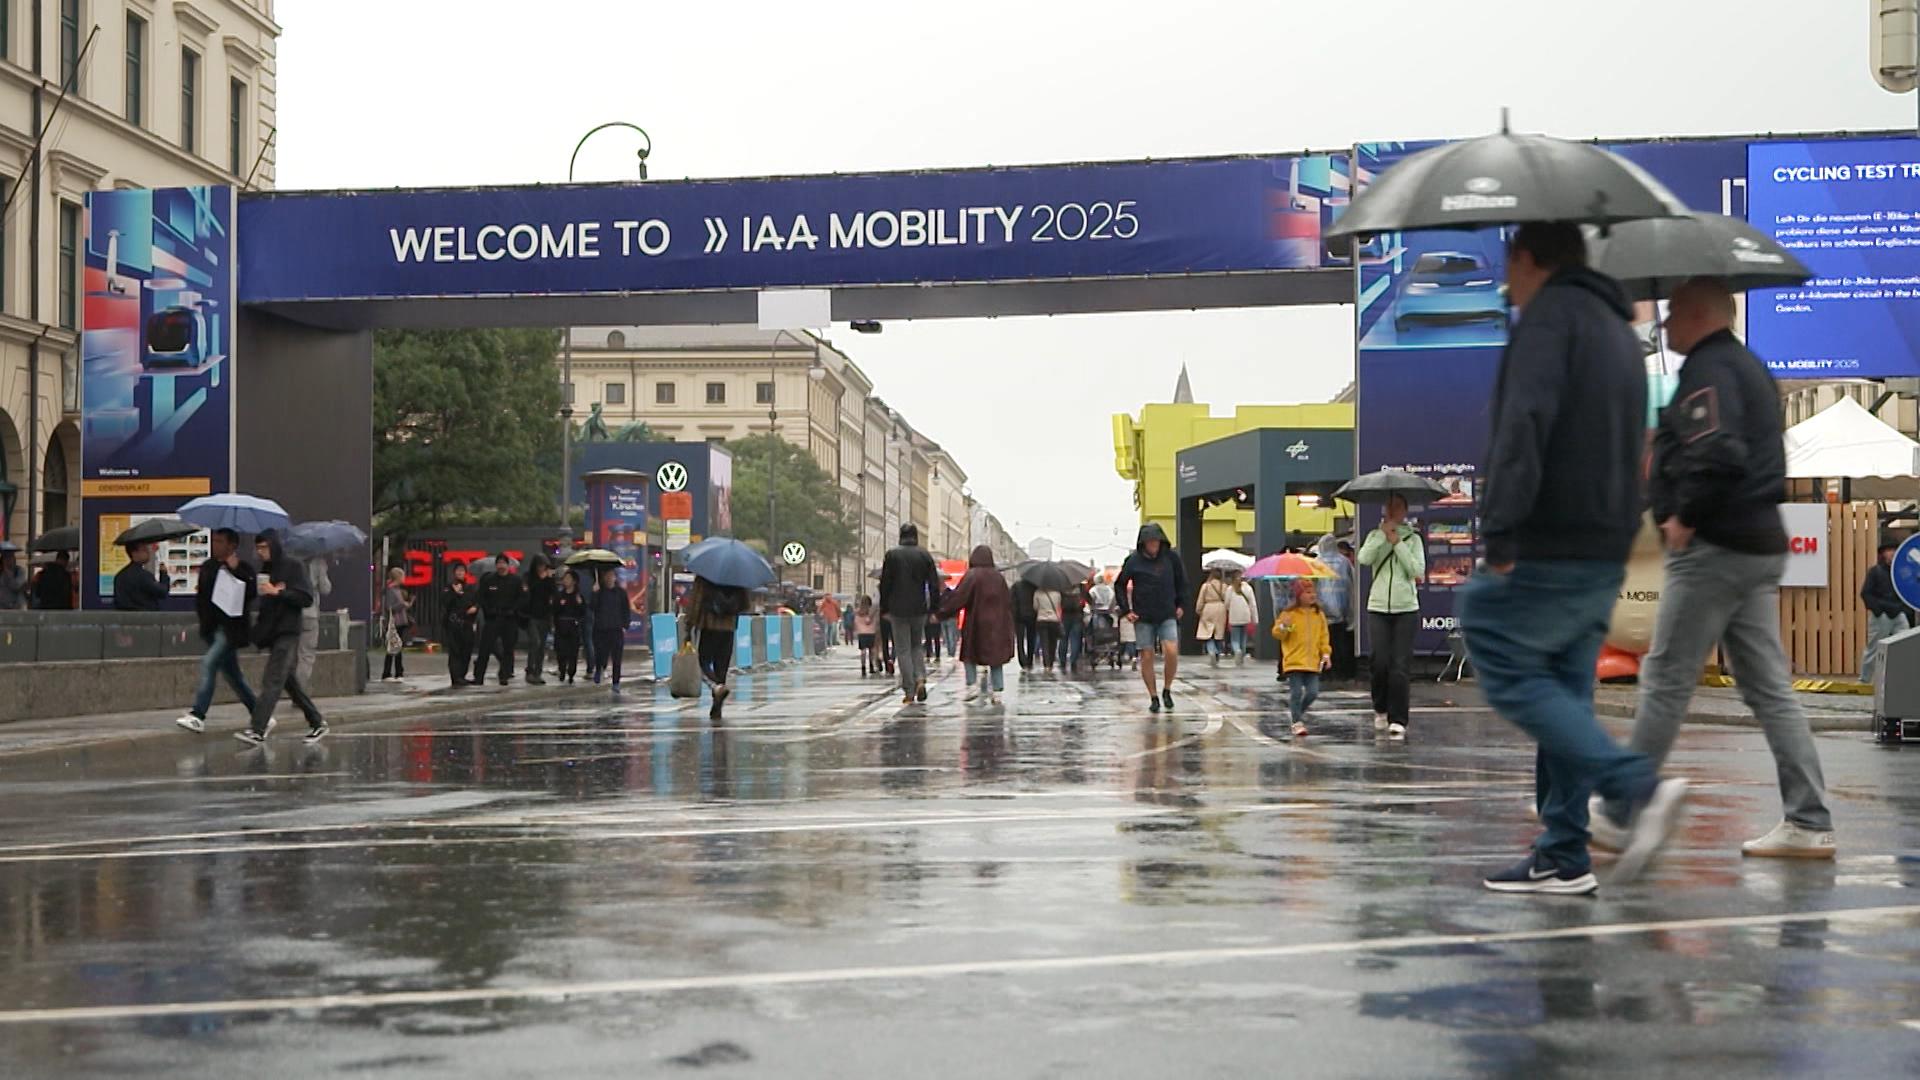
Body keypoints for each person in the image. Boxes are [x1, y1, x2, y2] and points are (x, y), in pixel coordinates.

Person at [1458, 221, 1685, 896]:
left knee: (1494, 641)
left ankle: (1632, 788)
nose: (1506, 282)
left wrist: (1499, 535)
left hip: (1549, 538)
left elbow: (1521, 426)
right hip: (1605, 541)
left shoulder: (1549, 322)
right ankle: (1565, 853)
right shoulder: (1617, 329)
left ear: (1529, 259)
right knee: (1564, 692)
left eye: (1508, 266)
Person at [1594, 277, 1835, 860]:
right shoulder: (1746, 366)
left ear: (1702, 313)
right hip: (1754, 545)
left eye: (1675, 312)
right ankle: (1809, 821)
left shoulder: (1710, 367)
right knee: (1770, 689)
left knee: (1666, 677)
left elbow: (1717, 451)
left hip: (1714, 549)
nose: (1668, 323)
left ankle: (1621, 812)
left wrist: (1683, 517)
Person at [237, 530, 326, 746]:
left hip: (288, 630)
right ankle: (316, 721)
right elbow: (265, 604)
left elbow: (305, 597)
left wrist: (279, 593)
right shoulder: (266, 570)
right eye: (258, 548)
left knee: (273, 678)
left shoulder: (293, 567)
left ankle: (258, 728)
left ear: (274, 546)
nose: (261, 552)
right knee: (287, 680)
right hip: (273, 630)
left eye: (264, 547)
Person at [175, 528, 258, 733]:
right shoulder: (209, 567)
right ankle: (260, 713)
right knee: (234, 676)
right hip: (212, 628)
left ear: (232, 545)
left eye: (220, 541)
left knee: (209, 663)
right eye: (214, 541)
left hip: (231, 631)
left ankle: (198, 714)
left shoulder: (244, 568)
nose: (216, 545)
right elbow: (202, 597)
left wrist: (236, 570)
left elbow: (251, 593)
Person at [1357, 496, 1422, 738]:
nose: (1393, 510)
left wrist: (1398, 543)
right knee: (1380, 661)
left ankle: (1399, 718)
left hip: (1406, 607)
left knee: (1400, 665)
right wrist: (1382, 537)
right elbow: (1364, 558)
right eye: (1389, 506)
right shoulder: (1375, 535)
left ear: (1405, 510)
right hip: (1378, 608)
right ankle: (1380, 707)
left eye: (1398, 507)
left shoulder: (1414, 539)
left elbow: (1417, 570)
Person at [1115, 522, 1188, 714]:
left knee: (1171, 650)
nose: (1153, 545)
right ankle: (1153, 696)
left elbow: (1182, 581)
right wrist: (1126, 610)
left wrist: (1181, 604)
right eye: (1150, 542)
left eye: (1156, 541)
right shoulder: (1133, 561)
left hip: (1167, 612)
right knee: (1146, 656)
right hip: (1143, 615)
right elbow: (1120, 585)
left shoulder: (1171, 558)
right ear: (1143, 543)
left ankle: (1167, 689)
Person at [942, 545, 1017, 705]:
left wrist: (942, 613)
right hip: (998, 623)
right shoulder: (998, 578)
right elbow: (1008, 601)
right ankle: (997, 692)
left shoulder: (972, 575)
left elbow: (959, 598)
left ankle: (972, 685)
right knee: (996, 658)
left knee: (969, 654)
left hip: (976, 623)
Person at [879, 523, 940, 706]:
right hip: (919, 608)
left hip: (898, 609)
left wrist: (885, 608)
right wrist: (933, 608)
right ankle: (921, 677)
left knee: (902, 649)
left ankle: (909, 689)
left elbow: (885, 584)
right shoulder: (924, 555)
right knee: (916, 646)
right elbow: (934, 585)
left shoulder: (892, 555)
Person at [1273, 578, 1331, 739]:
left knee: (1312, 693)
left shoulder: (1319, 615)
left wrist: (1326, 654)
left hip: (1312, 662)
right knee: (1296, 692)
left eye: (1313, 591)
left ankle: (1296, 712)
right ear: (1298, 595)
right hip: (1294, 661)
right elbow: (1278, 634)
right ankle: (1296, 721)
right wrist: (1284, 625)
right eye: (1307, 592)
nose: (1312, 595)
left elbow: (1323, 637)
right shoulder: (1289, 614)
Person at [685, 574, 747, 719]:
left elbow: (695, 602)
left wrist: (689, 626)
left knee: (703, 662)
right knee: (722, 667)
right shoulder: (737, 578)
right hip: (728, 628)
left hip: (710, 626)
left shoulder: (704, 577)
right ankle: (717, 706)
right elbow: (745, 605)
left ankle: (715, 687)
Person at [472, 554, 526, 686]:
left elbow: (522, 598)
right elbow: (481, 597)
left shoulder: (516, 581)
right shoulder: (489, 579)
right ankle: (478, 677)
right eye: (499, 563)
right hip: (492, 618)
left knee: (508, 649)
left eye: (503, 563)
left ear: (508, 565)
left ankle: (504, 675)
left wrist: (513, 610)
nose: (501, 566)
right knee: (485, 648)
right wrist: (488, 610)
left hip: (509, 619)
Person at [1861, 539, 1909, 684]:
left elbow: (1907, 590)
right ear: (1883, 554)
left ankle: (1902, 680)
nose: (1893, 553)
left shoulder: (1901, 572)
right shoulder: (1875, 571)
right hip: (1881, 615)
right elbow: (1866, 593)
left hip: (1898, 613)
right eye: (1889, 550)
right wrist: (1877, 611)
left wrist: (1903, 608)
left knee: (1905, 645)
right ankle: (1865, 680)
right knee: (1874, 648)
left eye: (1895, 550)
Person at [1316, 535, 1358, 680]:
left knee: (1324, 642)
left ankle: (1325, 670)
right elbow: (1352, 586)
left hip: (1322, 613)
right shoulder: (1344, 562)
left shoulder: (1317, 562)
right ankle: (1341, 672)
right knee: (1341, 644)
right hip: (1342, 611)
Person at [591, 566, 633, 689]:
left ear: (615, 577)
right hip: (601, 629)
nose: (609, 579)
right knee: (601, 653)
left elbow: (626, 609)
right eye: (607, 576)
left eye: (611, 576)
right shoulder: (599, 592)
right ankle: (599, 668)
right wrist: (594, 593)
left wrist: (625, 624)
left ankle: (616, 681)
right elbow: (592, 607)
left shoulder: (620, 593)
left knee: (617, 657)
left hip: (616, 628)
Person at [297, 555, 333, 688]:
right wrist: (323, 572)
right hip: (309, 613)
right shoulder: (318, 562)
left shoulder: (289, 560)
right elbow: (325, 589)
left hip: (291, 613)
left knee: (291, 654)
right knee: (306, 655)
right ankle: (300, 691)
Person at [443, 567, 480, 687]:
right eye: (457, 571)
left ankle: (462, 675)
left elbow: (476, 601)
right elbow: (445, 603)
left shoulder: (470, 588)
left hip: (467, 623)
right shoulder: (448, 588)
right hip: (454, 623)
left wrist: (475, 608)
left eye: (462, 571)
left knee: (466, 650)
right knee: (455, 651)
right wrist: (454, 593)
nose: (460, 573)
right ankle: (456, 676)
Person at [522, 554, 555, 685]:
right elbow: (529, 593)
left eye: (544, 566)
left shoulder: (549, 580)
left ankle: (538, 672)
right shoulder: (529, 578)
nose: (541, 568)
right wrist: (540, 580)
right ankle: (530, 670)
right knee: (535, 641)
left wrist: (548, 579)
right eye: (539, 566)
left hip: (545, 616)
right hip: (532, 616)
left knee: (541, 645)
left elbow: (553, 594)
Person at [113, 542, 170, 611]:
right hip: (146, 618)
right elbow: (162, 592)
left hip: (125, 619)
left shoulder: (120, 576)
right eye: (144, 550)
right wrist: (163, 574)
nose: (148, 552)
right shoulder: (143, 576)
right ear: (134, 553)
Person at [553, 569, 586, 684]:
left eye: (568, 579)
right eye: (564, 579)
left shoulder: (578, 596)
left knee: (573, 652)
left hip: (573, 627)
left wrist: (580, 603)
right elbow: (554, 611)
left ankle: (571, 673)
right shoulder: (559, 595)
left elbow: (583, 612)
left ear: (574, 581)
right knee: (561, 651)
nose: (566, 581)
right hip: (561, 627)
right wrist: (559, 605)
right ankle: (562, 670)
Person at [379, 566, 412, 681]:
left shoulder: (398, 590)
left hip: (401, 620)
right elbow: (389, 607)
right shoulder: (391, 590)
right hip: (394, 622)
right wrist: (402, 605)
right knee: (393, 647)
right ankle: (388, 672)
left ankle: (398, 671)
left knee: (397, 647)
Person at [1196, 569, 1232, 665]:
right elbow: (1227, 599)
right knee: (1218, 634)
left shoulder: (1206, 586)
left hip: (1208, 607)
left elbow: (1200, 600)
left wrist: (1199, 610)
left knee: (1207, 634)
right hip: (1221, 608)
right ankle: (1217, 652)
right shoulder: (1224, 586)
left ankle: (1212, 651)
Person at [1032, 584, 1064, 673]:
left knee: (1044, 643)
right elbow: (1058, 605)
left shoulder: (1037, 593)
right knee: (1053, 642)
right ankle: (1051, 662)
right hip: (1054, 619)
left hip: (1041, 619)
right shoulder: (1057, 593)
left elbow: (1035, 607)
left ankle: (1046, 664)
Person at [1227, 572, 1257, 663]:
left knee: (1235, 638)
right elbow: (1253, 604)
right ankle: (1242, 656)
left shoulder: (1230, 589)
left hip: (1234, 615)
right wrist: (1255, 618)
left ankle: (1237, 650)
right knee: (1243, 637)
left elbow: (1227, 603)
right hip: (1245, 615)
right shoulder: (1248, 588)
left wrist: (1229, 610)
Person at [1011, 578, 1038, 672]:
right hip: (1032, 616)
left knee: (1020, 639)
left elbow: (1012, 601)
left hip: (1019, 617)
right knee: (1031, 639)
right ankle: (1030, 659)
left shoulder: (1016, 586)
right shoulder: (1035, 586)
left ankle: (1022, 660)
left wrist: (1014, 614)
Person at [1062, 582, 1088, 673]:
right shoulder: (1081, 587)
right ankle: (1073, 661)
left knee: (1063, 639)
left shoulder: (1062, 586)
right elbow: (1089, 599)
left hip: (1065, 615)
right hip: (1078, 615)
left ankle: (1062, 661)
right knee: (1075, 639)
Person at [853, 595, 880, 675]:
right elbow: (874, 621)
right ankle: (871, 666)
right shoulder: (871, 612)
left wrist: (858, 629)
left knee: (863, 651)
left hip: (861, 633)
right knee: (871, 651)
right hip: (871, 632)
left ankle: (863, 667)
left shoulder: (858, 612)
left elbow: (856, 622)